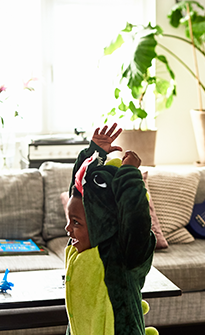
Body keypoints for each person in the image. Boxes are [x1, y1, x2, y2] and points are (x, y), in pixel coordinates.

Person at [64, 123, 156, 335]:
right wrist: (93, 154)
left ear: (101, 222)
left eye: (76, 223)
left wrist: (130, 174)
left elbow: (135, 217)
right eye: (70, 220)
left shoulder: (123, 254)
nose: (68, 229)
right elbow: (79, 196)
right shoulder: (79, 250)